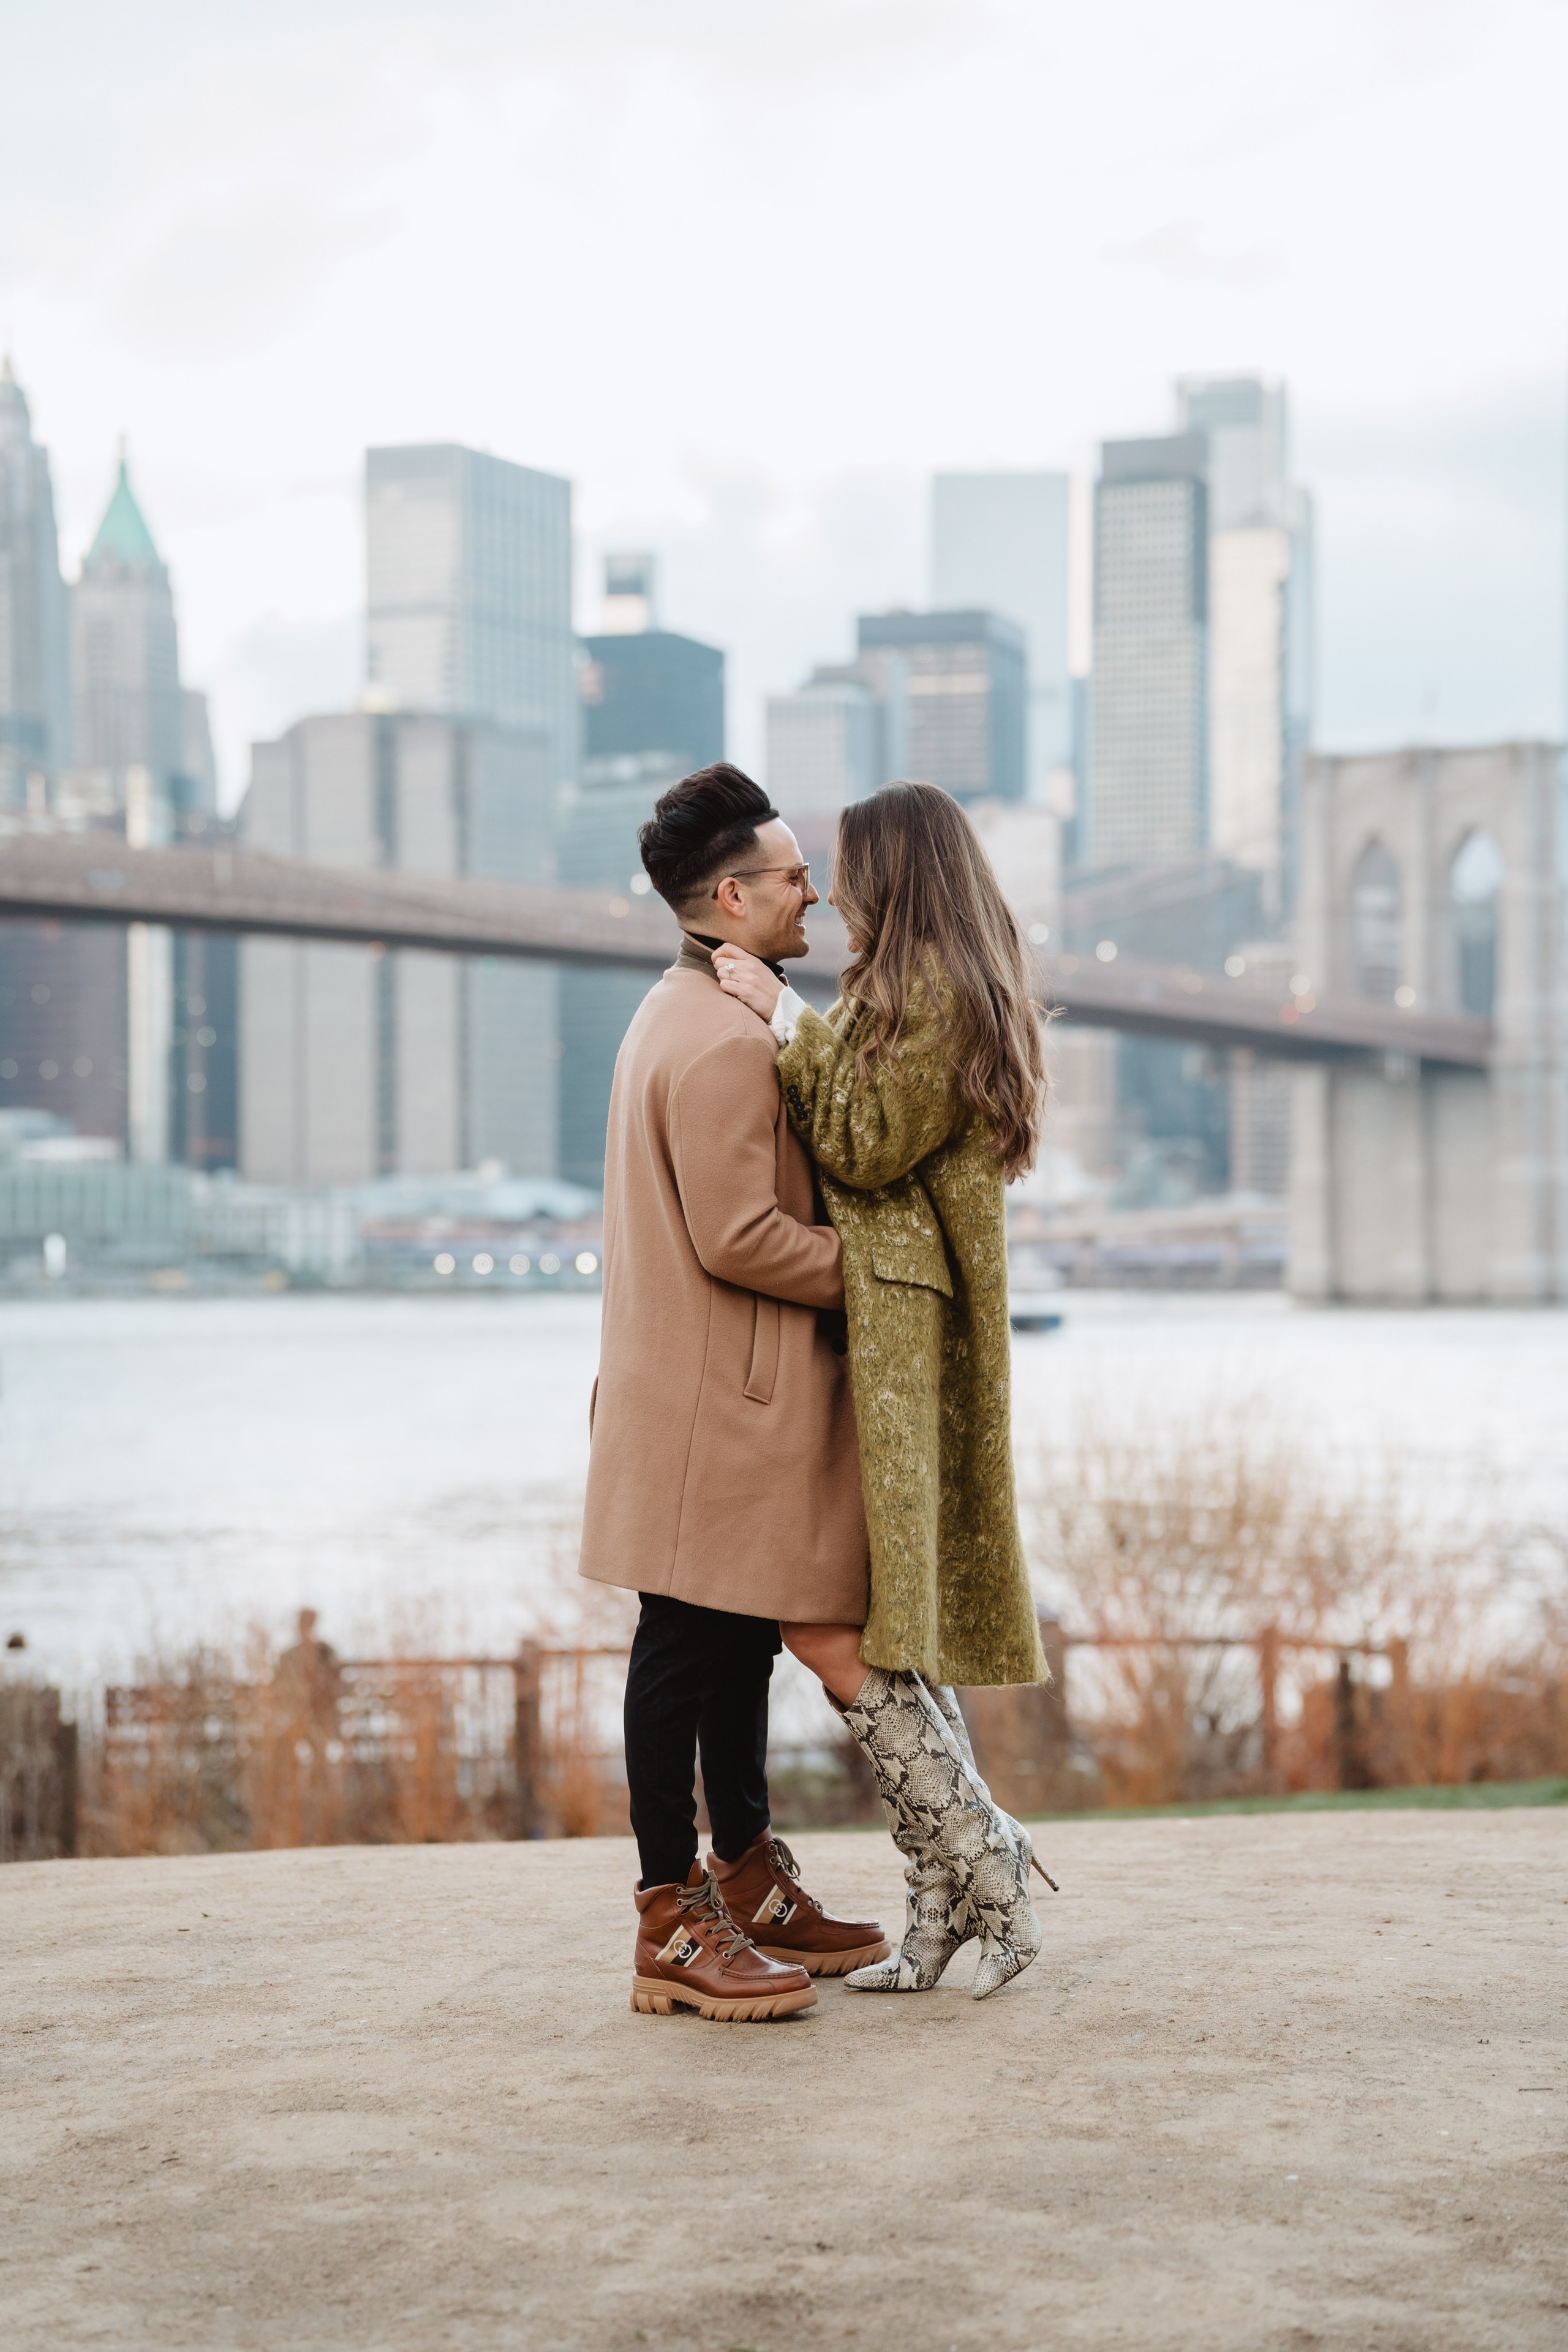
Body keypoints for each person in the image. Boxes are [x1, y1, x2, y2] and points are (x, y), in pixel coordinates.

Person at [712, 779, 1055, 2001]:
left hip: (906, 1344)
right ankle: (937, 1915)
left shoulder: (935, 996)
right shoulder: (923, 988)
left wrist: (780, 1023)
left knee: (865, 1618)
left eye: (848, 861)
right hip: (899, 1331)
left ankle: (989, 1865)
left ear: (896, 872)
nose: (832, 884)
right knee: (890, 1622)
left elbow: (859, 1144)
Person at [578, 762, 891, 2022]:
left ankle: (747, 1879)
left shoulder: (681, 1011)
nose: (811, 894)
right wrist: (882, 1275)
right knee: (683, 1652)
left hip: (697, 1391)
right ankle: (672, 1919)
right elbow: (741, 1236)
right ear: (728, 895)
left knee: (735, 1645)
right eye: (791, 879)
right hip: (719, 1405)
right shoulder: (718, 1041)